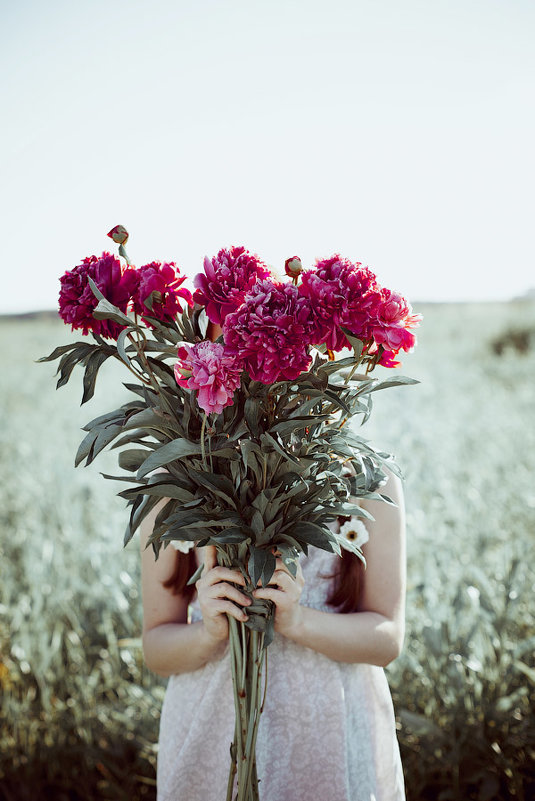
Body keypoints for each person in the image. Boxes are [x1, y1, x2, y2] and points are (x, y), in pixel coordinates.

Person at [140, 466, 407, 801]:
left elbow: (387, 640)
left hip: (329, 736)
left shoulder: (366, 476)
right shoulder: (177, 476)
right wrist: (209, 633)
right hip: (211, 735)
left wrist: (298, 622)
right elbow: (155, 648)